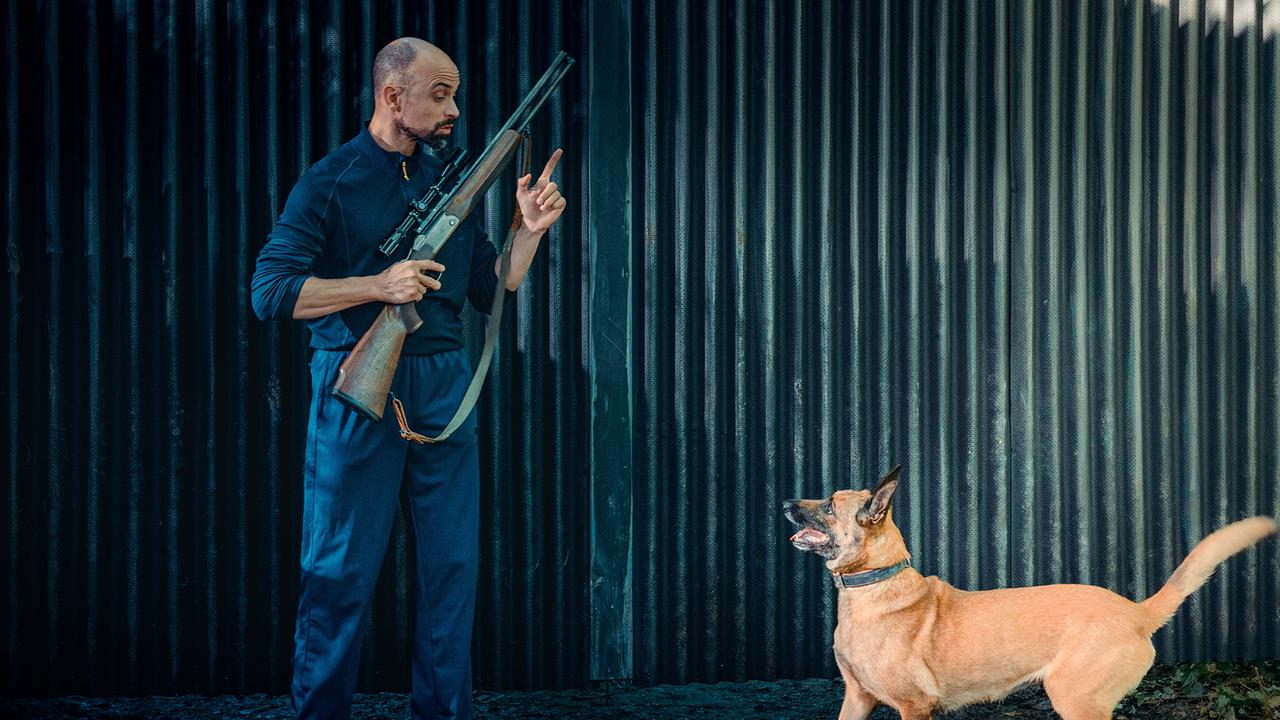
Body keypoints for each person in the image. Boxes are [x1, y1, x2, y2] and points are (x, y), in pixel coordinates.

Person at [250, 37, 566, 720]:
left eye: (452, 94)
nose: (453, 108)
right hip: (357, 389)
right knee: (338, 574)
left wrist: (529, 231)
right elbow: (270, 291)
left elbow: (491, 283)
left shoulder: (445, 177)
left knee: (451, 572)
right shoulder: (332, 180)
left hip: (444, 385)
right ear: (393, 96)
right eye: (439, 94)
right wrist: (378, 285)